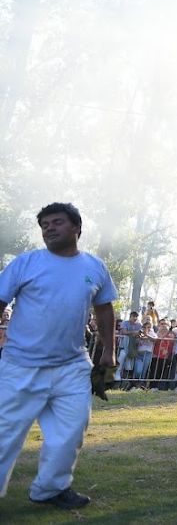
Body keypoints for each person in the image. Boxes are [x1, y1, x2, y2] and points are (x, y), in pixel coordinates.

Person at [0, 203, 117, 509]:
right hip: (20, 365)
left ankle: (50, 489)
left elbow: (104, 309)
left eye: (56, 222)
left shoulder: (95, 267)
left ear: (77, 227)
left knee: (71, 431)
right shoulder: (25, 263)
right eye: (44, 225)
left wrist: (109, 351)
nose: (49, 228)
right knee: (4, 434)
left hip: (72, 366)